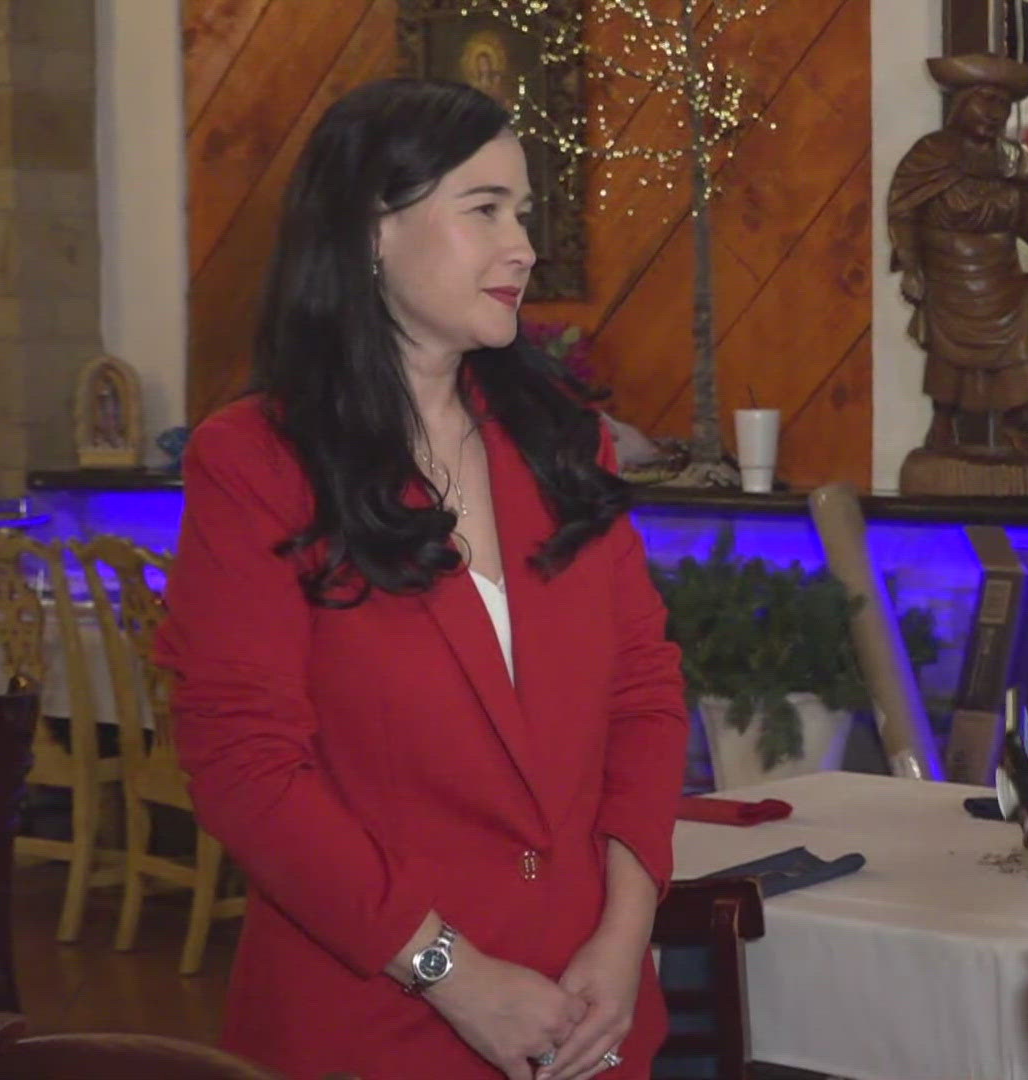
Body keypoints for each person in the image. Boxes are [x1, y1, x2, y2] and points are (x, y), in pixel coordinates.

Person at [154, 78, 688, 1080]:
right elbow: (247, 767)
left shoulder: (565, 446)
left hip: (590, 1011)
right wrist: (452, 971)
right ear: (369, 232)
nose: (523, 246)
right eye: (484, 209)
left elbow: (645, 695)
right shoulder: (256, 463)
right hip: (376, 1019)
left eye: (523, 212)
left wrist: (625, 936)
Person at [888, 54, 1028, 459]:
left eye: (1002, 105)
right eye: (985, 102)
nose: (994, 114)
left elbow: (1027, 209)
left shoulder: (1015, 159)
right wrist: (912, 267)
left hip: (1002, 272)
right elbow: (904, 213)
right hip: (950, 273)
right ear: (962, 103)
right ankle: (943, 422)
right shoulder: (932, 154)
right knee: (949, 354)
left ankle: (1018, 425)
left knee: (1027, 345)